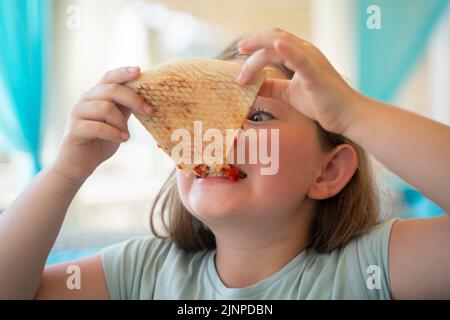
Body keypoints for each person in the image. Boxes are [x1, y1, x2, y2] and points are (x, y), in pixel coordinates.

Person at [0, 28, 449, 299]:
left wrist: (354, 113)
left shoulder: (369, 268)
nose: (218, 136)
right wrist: (65, 173)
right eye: (198, 119)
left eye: (257, 116)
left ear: (328, 171)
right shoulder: (143, 272)